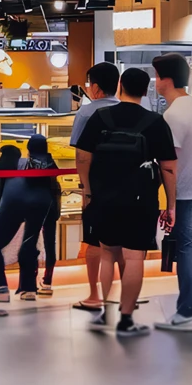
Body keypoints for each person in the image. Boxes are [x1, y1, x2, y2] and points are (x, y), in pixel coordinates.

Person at [74, 66, 177, 337]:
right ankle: (126, 319)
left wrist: (87, 191)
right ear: (145, 91)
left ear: (120, 86)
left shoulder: (100, 116)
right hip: (140, 200)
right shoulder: (155, 122)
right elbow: (168, 167)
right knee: (134, 258)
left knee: (107, 254)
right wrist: (171, 205)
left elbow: (83, 157)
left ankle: (105, 313)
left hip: (103, 197)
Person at [153, 52, 192, 331]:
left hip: (188, 191)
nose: (155, 82)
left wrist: (170, 204)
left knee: (187, 249)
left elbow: (170, 164)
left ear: (166, 79)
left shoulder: (173, 114)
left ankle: (186, 312)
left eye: (157, 76)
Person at [0, 135, 62, 302]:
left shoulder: (11, 163)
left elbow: (1, 192)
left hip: (13, 204)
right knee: (29, 243)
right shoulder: (46, 164)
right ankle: (29, 289)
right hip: (41, 205)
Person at [70, 62, 120, 311]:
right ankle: (120, 293)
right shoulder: (127, 109)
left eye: (90, 84)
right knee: (121, 241)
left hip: (97, 186)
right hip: (124, 186)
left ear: (97, 88)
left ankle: (94, 294)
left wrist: (85, 189)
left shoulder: (87, 113)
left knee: (94, 242)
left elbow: (81, 155)